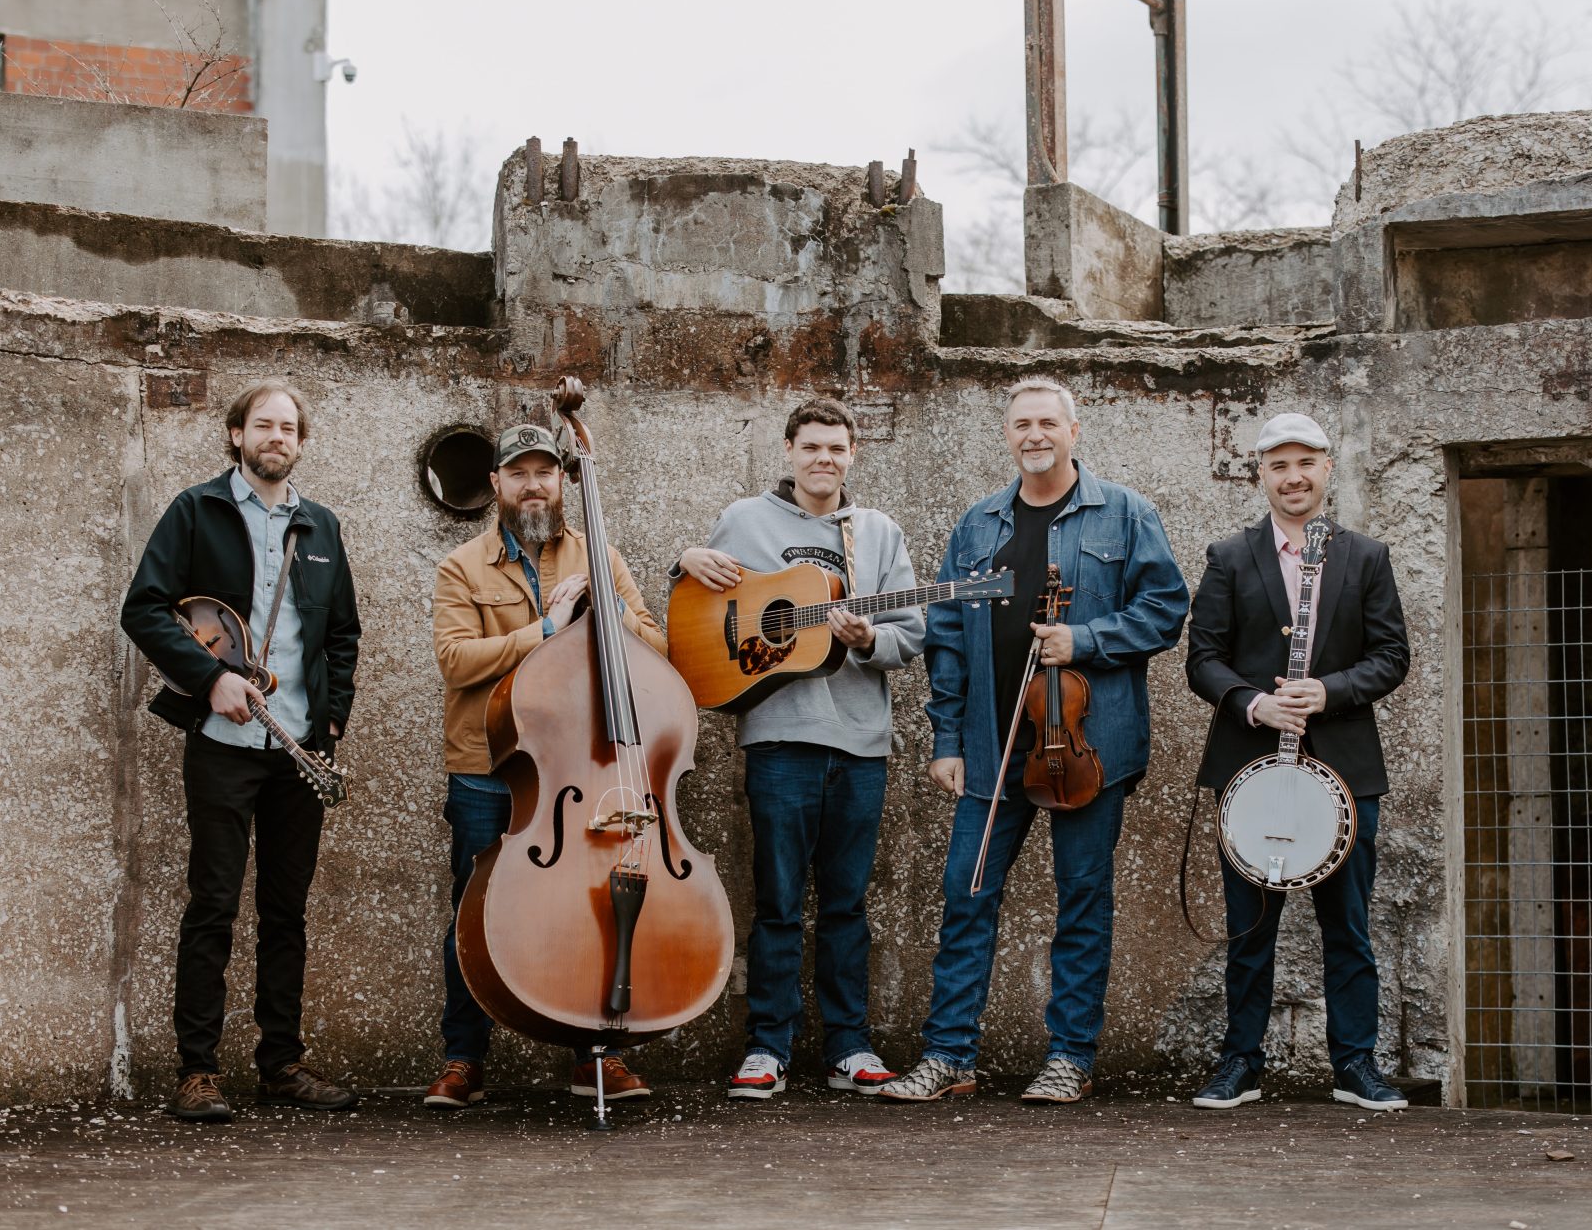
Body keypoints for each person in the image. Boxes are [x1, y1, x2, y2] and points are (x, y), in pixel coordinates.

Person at [881, 377, 1189, 1104]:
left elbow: (1166, 609)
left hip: (1086, 745)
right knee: (967, 892)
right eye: (1022, 423)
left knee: (1082, 898)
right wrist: (948, 739)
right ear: (1008, 434)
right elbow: (947, 637)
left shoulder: (1124, 513)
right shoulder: (979, 525)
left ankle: (1070, 1057)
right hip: (992, 744)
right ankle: (950, 1053)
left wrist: (1084, 637)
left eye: (1048, 421)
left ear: (1073, 431)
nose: (1035, 434)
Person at [120, 378, 362, 1123]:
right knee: (214, 905)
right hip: (224, 742)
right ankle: (198, 1072)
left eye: (290, 428)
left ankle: (280, 1064)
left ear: (301, 442)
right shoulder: (197, 509)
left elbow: (344, 637)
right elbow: (145, 609)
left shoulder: (320, 526)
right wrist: (210, 678)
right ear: (236, 435)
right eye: (264, 425)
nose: (277, 437)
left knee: (285, 911)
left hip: (298, 751)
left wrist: (330, 725)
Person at [674, 401, 924, 1100]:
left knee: (847, 903)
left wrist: (868, 639)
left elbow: (913, 630)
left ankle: (850, 1045)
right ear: (788, 450)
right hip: (779, 740)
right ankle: (766, 1047)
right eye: (811, 445)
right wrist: (682, 558)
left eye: (837, 448)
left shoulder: (876, 533)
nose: (824, 458)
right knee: (779, 900)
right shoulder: (745, 521)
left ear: (854, 454)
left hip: (861, 745)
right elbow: (695, 608)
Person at [423, 422, 668, 1110]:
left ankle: (597, 1057)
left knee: (588, 909)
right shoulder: (460, 568)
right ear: (496, 484)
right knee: (473, 915)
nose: (534, 483)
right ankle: (464, 1060)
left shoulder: (601, 556)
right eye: (519, 472)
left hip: (578, 768)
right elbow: (455, 659)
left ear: (563, 482)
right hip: (487, 765)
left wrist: (608, 609)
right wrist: (546, 633)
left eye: (545, 472)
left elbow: (655, 642)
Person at [1184, 412, 1411, 1112]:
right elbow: (1203, 660)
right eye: (1278, 464)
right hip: (1250, 768)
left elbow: (1392, 656)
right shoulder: (1228, 555)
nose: (1293, 476)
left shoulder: (1366, 556)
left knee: (1349, 926)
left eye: (1305, 462)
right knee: (1249, 926)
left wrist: (1328, 691)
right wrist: (1254, 704)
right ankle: (1241, 1063)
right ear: (1261, 474)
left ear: (1326, 469)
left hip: (1344, 769)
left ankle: (1355, 1066)